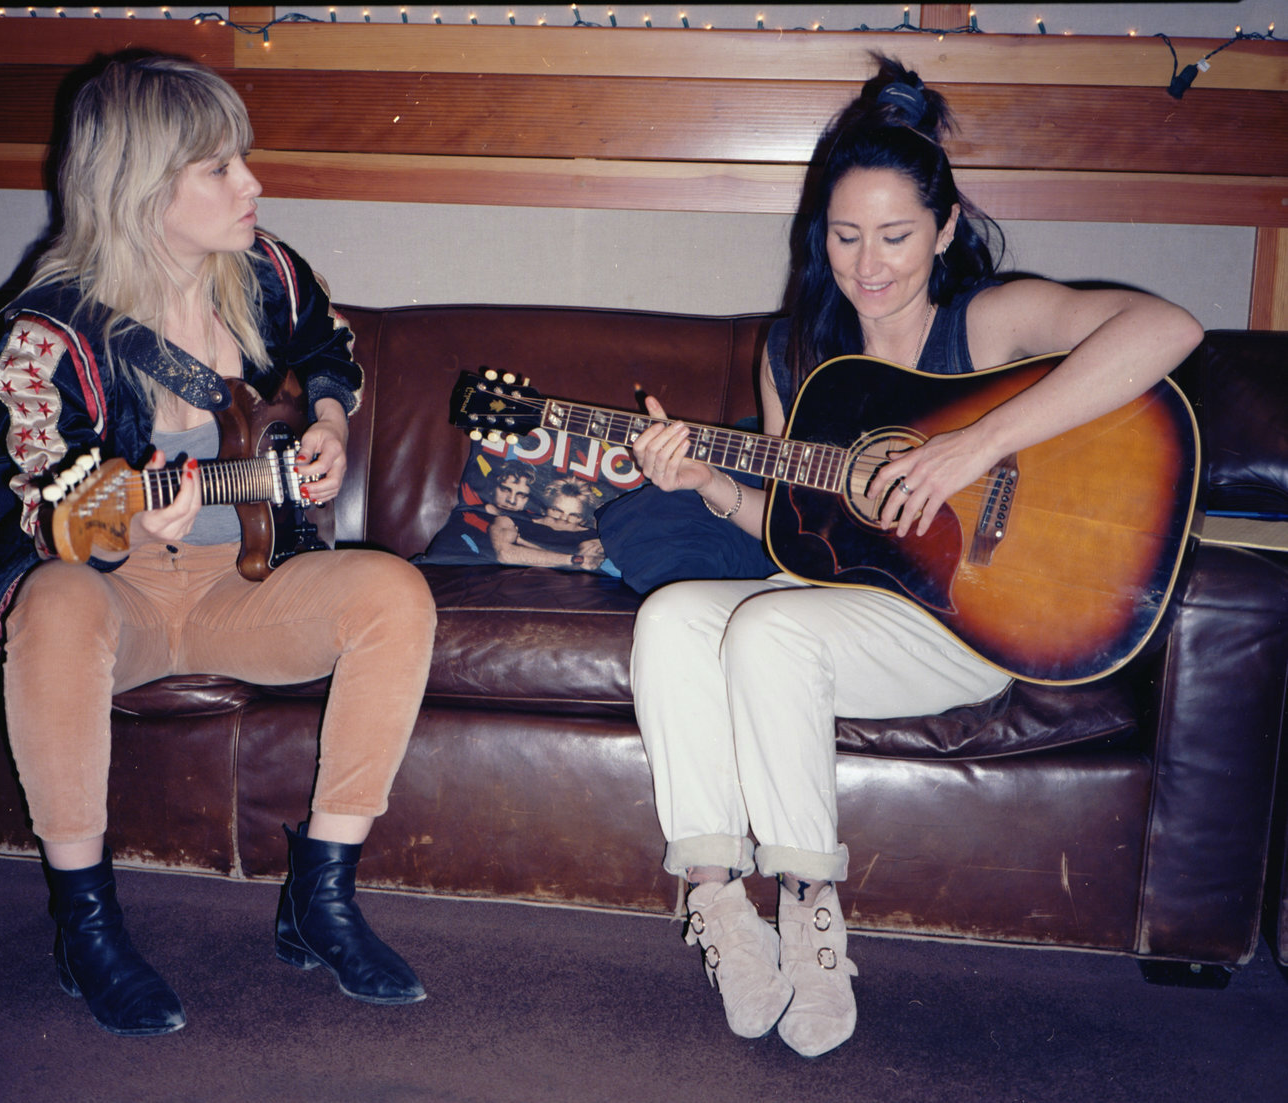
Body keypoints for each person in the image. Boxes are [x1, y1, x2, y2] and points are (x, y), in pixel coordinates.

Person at [626, 55, 1202, 1058]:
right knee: (673, 617)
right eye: (846, 236)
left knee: (772, 632)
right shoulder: (795, 357)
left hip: (970, 614)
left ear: (943, 230)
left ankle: (810, 905)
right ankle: (718, 897)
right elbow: (796, 531)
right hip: (847, 602)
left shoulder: (986, 321)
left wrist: (972, 447)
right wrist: (708, 484)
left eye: (895, 235)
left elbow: (1168, 326)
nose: (870, 262)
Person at [0, 54, 436, 1036]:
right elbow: (45, 498)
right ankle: (85, 923)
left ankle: (323, 897)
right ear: (140, 189)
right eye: (219, 168)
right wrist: (120, 519)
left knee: (395, 594)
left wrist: (334, 425)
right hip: (116, 592)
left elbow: (325, 352)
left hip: (241, 583)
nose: (251, 184)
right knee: (56, 599)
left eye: (241, 161)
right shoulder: (49, 335)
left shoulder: (265, 274)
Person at [490, 477, 607, 569]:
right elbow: (505, 554)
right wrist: (573, 560)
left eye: (574, 515)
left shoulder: (594, 537)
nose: (563, 518)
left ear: (584, 519)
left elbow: (588, 563)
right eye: (556, 510)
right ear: (544, 508)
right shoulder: (513, 520)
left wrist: (523, 543)